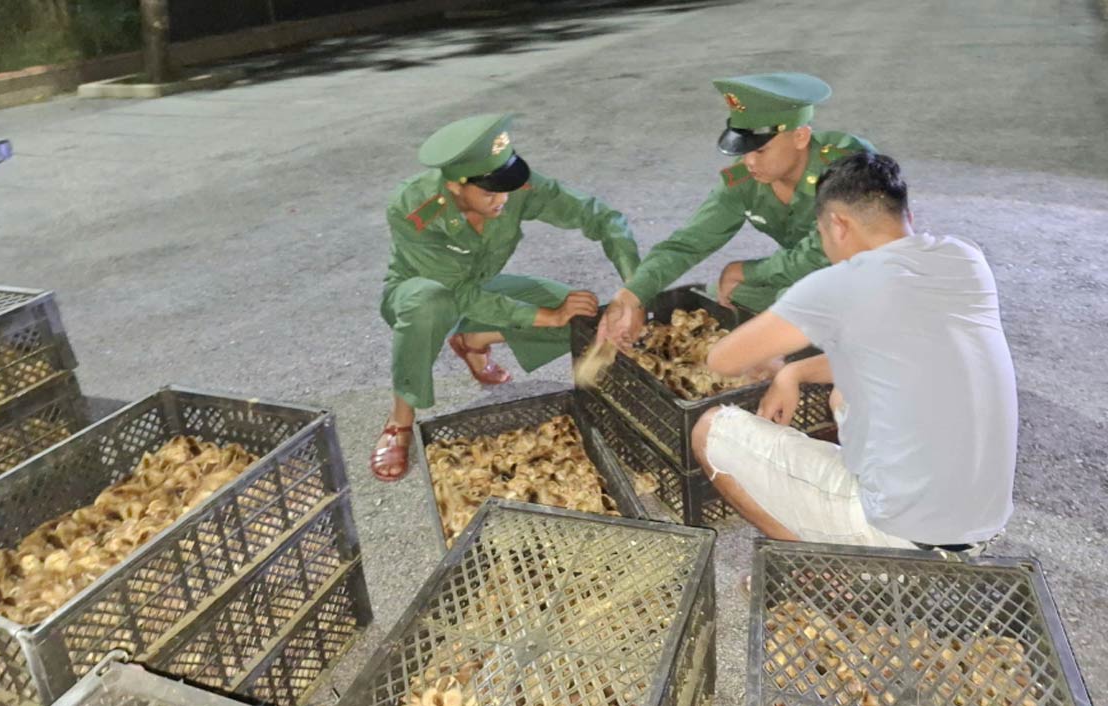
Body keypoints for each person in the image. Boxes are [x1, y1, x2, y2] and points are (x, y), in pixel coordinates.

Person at [690, 151, 1017, 555]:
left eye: (822, 236)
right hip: (983, 522)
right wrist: (793, 373)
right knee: (845, 391)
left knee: (710, 428)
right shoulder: (964, 258)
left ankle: (832, 571)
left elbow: (724, 359)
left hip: (902, 531)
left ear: (839, 225)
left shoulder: (842, 283)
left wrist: (774, 346)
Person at [372, 113, 641, 481]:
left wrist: (634, 289)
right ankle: (399, 421)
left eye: (507, 187)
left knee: (588, 320)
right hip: (419, 295)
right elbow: (455, 292)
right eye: (489, 192)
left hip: (480, 290)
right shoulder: (414, 207)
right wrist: (546, 315)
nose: (503, 199)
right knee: (430, 305)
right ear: (454, 187)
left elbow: (600, 216)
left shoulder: (513, 191)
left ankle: (474, 339)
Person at [598, 72, 872, 347]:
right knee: (732, 294)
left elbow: (820, 254)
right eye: (744, 150)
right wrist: (631, 296)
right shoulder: (745, 181)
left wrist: (746, 269)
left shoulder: (846, 164)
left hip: (871, 277)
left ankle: (836, 365)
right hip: (811, 277)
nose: (749, 161)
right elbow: (687, 244)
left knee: (790, 300)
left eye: (760, 151)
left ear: (800, 136)